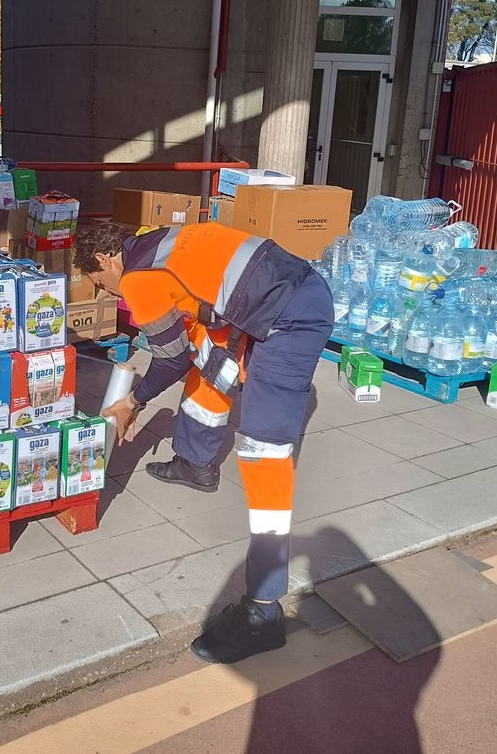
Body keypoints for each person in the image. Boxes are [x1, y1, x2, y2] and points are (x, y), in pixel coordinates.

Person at [74, 221, 333, 664]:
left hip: (290, 321)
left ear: (104, 260)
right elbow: (196, 318)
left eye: (100, 283)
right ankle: (195, 463)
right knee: (207, 361)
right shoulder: (157, 238)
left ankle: (263, 612)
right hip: (289, 291)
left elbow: (168, 359)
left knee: (262, 450)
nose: (106, 294)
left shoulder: (138, 276)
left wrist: (131, 402)